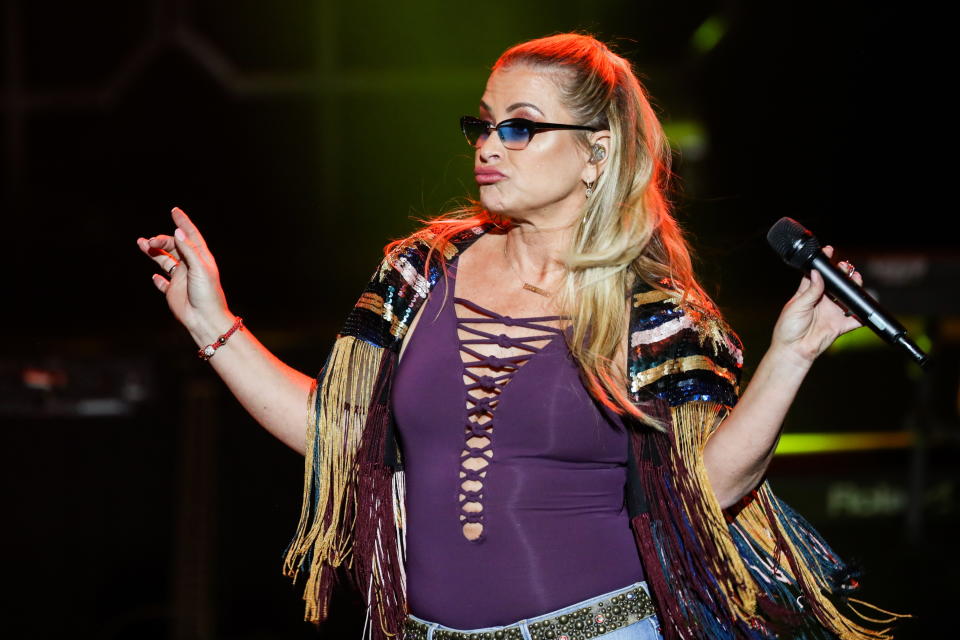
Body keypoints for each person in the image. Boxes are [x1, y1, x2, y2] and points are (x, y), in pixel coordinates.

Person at [137, 33, 907, 640]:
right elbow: (338, 436)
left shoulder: (652, 311)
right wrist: (212, 321)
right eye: (484, 122)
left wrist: (792, 355)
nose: (488, 144)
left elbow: (709, 489)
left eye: (521, 127)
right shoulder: (420, 273)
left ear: (596, 153)